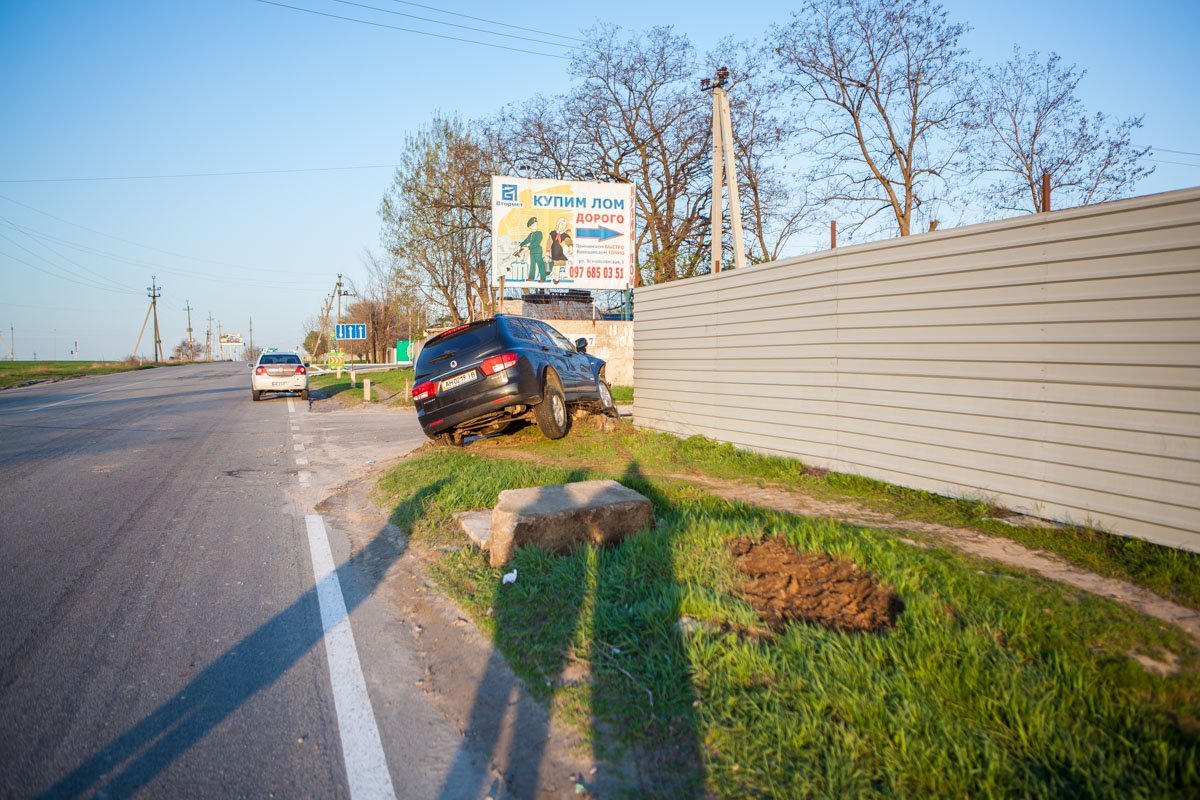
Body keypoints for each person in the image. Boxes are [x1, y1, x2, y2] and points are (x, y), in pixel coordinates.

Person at [515, 216, 548, 281]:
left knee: (540, 264)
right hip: (532, 252)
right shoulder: (530, 235)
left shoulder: (539, 233)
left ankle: (543, 278)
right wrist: (520, 245)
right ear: (530, 226)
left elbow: (537, 243)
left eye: (536, 224)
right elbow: (526, 241)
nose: (536, 226)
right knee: (532, 265)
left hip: (538, 251)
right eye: (534, 225)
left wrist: (528, 248)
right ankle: (531, 277)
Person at [547, 218, 574, 283]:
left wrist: (570, 247)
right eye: (561, 224)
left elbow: (568, 241)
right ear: (558, 224)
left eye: (564, 225)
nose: (563, 227)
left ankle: (556, 277)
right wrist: (547, 252)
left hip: (559, 252)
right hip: (553, 251)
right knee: (553, 265)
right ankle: (553, 274)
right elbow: (549, 243)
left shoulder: (565, 235)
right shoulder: (552, 233)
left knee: (558, 264)